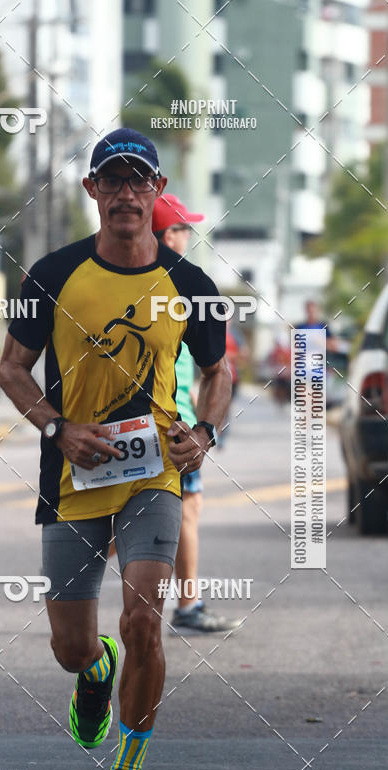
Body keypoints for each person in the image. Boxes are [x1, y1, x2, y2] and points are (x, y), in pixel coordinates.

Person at [0, 128, 231, 770]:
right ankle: (93, 674)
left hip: (152, 475)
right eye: (113, 180)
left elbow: (219, 370)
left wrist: (206, 433)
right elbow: (11, 368)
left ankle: (129, 766)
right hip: (74, 474)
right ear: (92, 190)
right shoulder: (51, 273)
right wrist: (56, 428)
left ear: (157, 192)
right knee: (71, 645)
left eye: (139, 181)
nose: (127, 193)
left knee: (144, 621)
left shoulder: (191, 285)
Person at [152, 194, 242, 634]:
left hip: (169, 419)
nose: (188, 236)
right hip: (178, 422)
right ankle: (188, 604)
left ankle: (77, 563)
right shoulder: (180, 283)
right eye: (184, 228)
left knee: (178, 507)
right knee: (186, 509)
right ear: (169, 234)